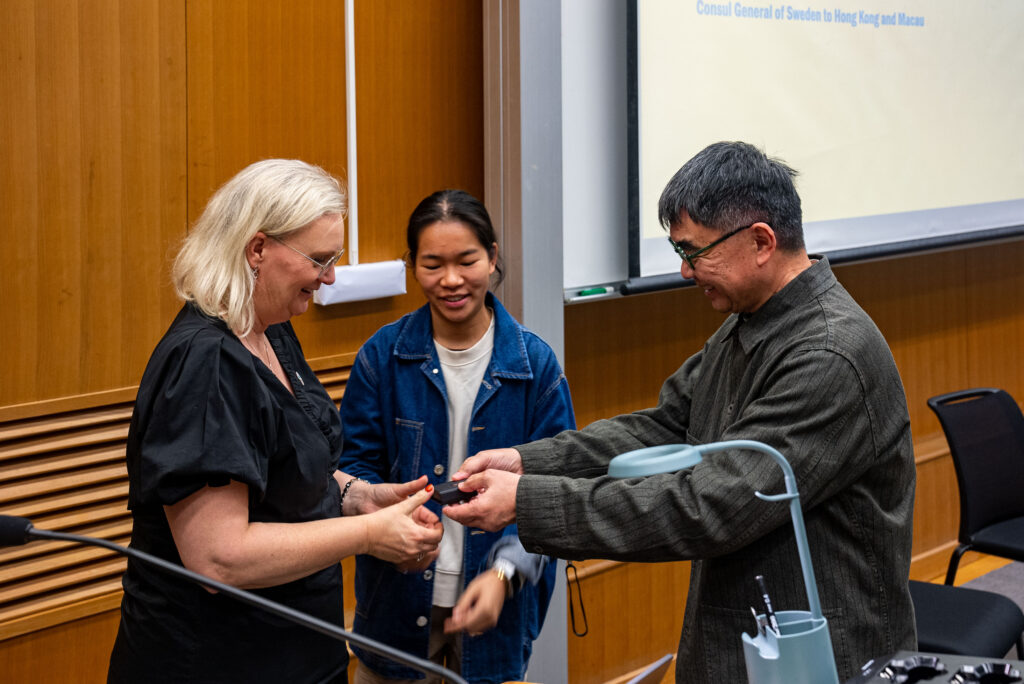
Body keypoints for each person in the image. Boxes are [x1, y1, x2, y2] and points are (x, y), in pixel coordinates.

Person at [445, 142, 917, 682]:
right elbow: (665, 428)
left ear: (761, 241)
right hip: (745, 641)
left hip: (821, 657)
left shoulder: (829, 354)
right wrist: (528, 462)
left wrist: (526, 502)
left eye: (694, 251)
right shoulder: (753, 321)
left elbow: (711, 506)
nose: (686, 271)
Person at [107, 159, 443, 684]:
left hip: (300, 652)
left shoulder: (271, 330)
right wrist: (367, 534)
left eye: (335, 260)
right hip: (216, 664)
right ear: (257, 248)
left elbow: (285, 468)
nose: (329, 277)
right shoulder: (206, 362)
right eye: (320, 259)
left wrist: (357, 495)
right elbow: (219, 560)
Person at [338, 189, 576, 683]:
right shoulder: (381, 356)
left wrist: (504, 575)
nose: (450, 280)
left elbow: (552, 491)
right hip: (395, 609)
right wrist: (388, 527)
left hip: (495, 614)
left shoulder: (535, 366)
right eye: (432, 264)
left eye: (467, 261)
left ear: (492, 257)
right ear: (413, 266)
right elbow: (353, 471)